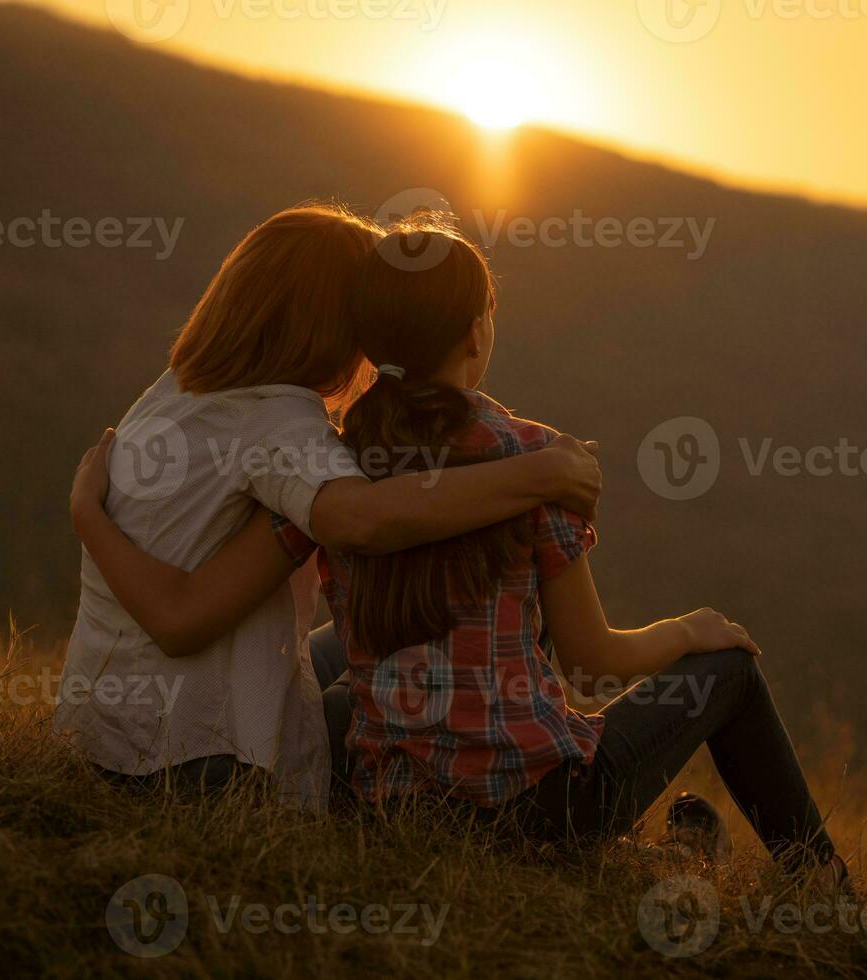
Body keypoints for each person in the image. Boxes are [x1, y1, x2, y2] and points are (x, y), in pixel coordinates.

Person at [72, 214, 843, 880]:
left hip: (387, 797)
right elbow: (590, 659)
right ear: (476, 331)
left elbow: (362, 527)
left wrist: (89, 517)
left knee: (374, 654)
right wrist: (683, 627)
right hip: (517, 802)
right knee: (730, 674)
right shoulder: (472, 451)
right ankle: (827, 892)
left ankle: (665, 856)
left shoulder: (307, 438)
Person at [58, 204, 601, 810]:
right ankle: (515, 778)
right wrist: (541, 470)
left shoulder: (178, 391)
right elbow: (359, 520)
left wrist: (88, 518)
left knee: (399, 643)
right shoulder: (279, 426)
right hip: (185, 757)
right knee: (413, 661)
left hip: (102, 733)